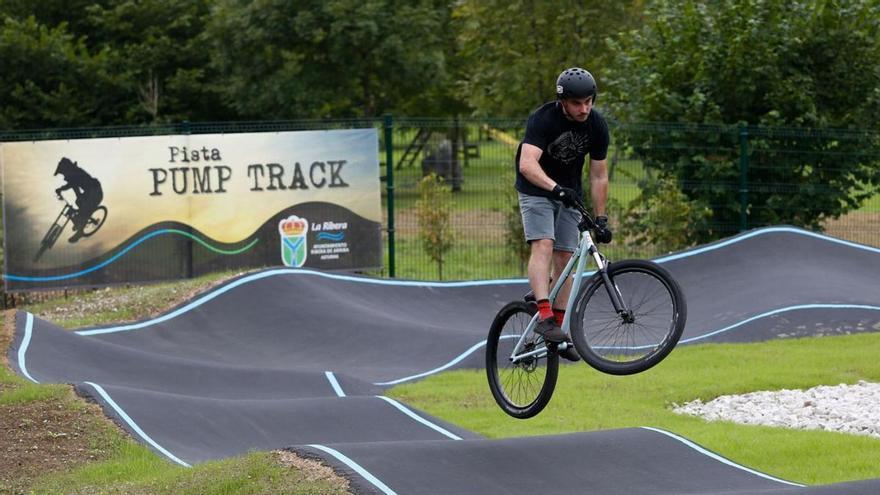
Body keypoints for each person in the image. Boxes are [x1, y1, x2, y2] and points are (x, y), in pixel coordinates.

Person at [514, 67, 613, 362]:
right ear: (563, 102)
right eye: (577, 103)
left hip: (569, 193)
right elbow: (526, 164)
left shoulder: (597, 125)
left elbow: (598, 175)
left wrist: (601, 218)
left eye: (589, 102)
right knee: (543, 243)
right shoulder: (543, 119)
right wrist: (554, 188)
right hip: (537, 189)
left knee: (566, 258)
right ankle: (544, 315)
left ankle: (556, 328)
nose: (584, 109)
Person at [54, 157, 104, 242]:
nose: (63, 175)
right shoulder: (73, 174)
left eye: (63, 172)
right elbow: (76, 189)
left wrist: (61, 189)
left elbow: (72, 184)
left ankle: (80, 231)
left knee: (84, 206)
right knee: (79, 202)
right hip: (90, 192)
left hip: (95, 191)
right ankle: (80, 220)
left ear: (67, 168)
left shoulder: (75, 173)